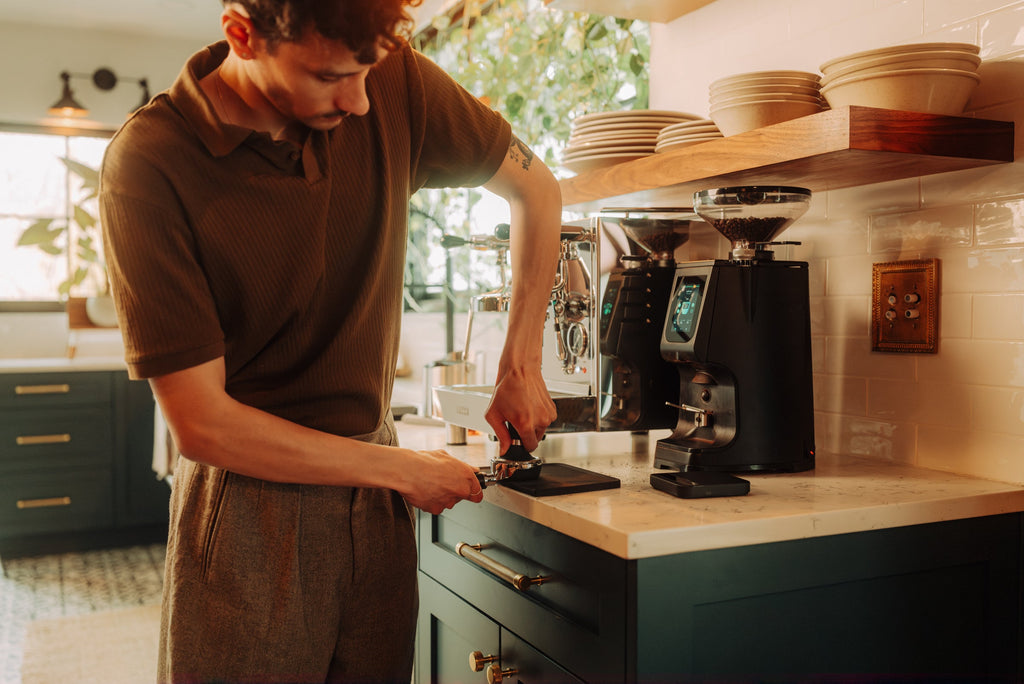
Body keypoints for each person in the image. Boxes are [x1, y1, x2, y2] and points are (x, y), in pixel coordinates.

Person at [98, 0, 561, 681]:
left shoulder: (393, 76)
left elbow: (537, 190)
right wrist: (400, 470)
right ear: (242, 34)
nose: (361, 102)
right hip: (249, 510)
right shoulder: (149, 163)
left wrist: (520, 361)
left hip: (375, 504)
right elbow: (202, 425)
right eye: (329, 76)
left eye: (367, 70)